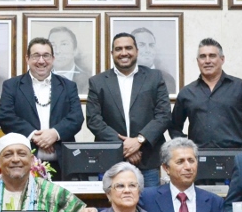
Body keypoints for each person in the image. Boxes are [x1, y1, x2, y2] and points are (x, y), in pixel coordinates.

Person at [86, 33, 171, 188]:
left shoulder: (154, 77)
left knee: (149, 207)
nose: (124, 52)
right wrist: (124, 146)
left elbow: (163, 115)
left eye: (128, 48)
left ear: (136, 51)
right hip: (111, 160)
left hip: (147, 159)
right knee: (112, 208)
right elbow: (93, 120)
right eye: (118, 49)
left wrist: (139, 141)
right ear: (112, 54)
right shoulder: (97, 82)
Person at [169, 38, 242, 149]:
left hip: (236, 155)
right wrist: (184, 148)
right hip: (198, 157)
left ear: (222, 59)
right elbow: (174, 127)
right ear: (198, 61)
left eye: (212, 56)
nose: (207, 61)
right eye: (202, 56)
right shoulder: (186, 92)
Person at [0, 38, 84, 165]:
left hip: (63, 162)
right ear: (27, 59)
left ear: (53, 59)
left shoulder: (68, 86)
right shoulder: (11, 86)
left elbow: (76, 117)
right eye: (36, 56)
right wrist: (35, 136)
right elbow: (6, 118)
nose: (41, 61)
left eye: (46, 56)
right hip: (25, 163)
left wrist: (54, 134)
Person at [131, 27, 177, 94]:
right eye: (141, 45)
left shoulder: (167, 79)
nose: (148, 50)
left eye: (151, 45)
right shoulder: (125, 77)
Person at [47, 26, 89, 95]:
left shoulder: (87, 80)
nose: (57, 51)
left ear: (75, 50)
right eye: (53, 45)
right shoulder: (41, 78)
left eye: (64, 44)